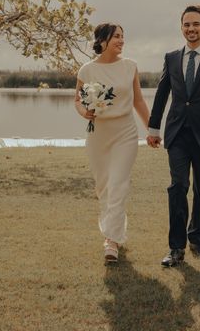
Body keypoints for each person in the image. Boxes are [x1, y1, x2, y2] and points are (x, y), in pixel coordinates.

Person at [147, 5, 200, 267]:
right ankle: (176, 248)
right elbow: (162, 93)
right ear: (181, 27)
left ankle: (197, 239)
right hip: (177, 135)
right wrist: (153, 128)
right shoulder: (171, 58)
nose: (191, 29)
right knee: (178, 186)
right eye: (186, 24)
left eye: (196, 24)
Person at [75, 23, 150, 264]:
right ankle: (115, 229)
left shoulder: (130, 67)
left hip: (125, 133)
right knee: (104, 187)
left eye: (122, 37)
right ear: (103, 40)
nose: (121, 40)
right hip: (98, 135)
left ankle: (111, 241)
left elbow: (138, 101)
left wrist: (153, 130)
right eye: (116, 36)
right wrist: (84, 111)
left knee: (118, 184)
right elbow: (77, 100)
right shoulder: (86, 70)